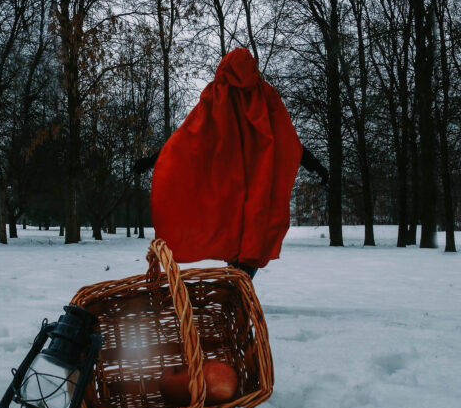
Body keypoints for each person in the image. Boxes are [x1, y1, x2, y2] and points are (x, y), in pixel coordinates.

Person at [134, 48, 328, 279]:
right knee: (251, 241)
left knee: (237, 241)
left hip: (229, 188)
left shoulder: (219, 95)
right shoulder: (263, 95)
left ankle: (236, 286)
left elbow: (188, 138)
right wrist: (314, 164)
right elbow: (286, 140)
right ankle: (238, 285)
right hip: (258, 187)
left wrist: (152, 160)